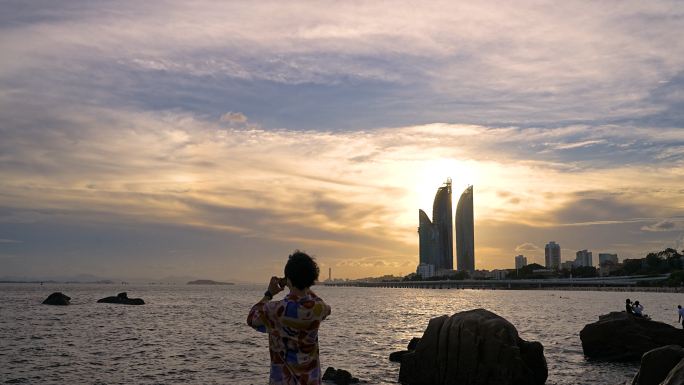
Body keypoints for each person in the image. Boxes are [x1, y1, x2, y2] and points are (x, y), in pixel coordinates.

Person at [247, 250, 331, 385]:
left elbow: (251, 318)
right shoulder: (319, 309)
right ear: (311, 280)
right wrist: (306, 287)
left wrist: (269, 294)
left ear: (288, 280)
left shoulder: (275, 310)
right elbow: (325, 305)